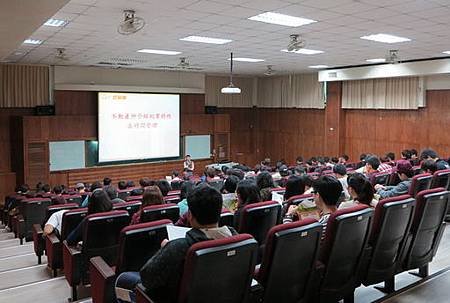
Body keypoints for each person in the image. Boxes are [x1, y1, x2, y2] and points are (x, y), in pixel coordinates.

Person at [114, 184, 236, 303]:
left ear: (190, 216)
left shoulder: (179, 247)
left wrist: (166, 249)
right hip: (219, 295)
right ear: (219, 212)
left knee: (123, 279)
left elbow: (146, 278)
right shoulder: (235, 237)